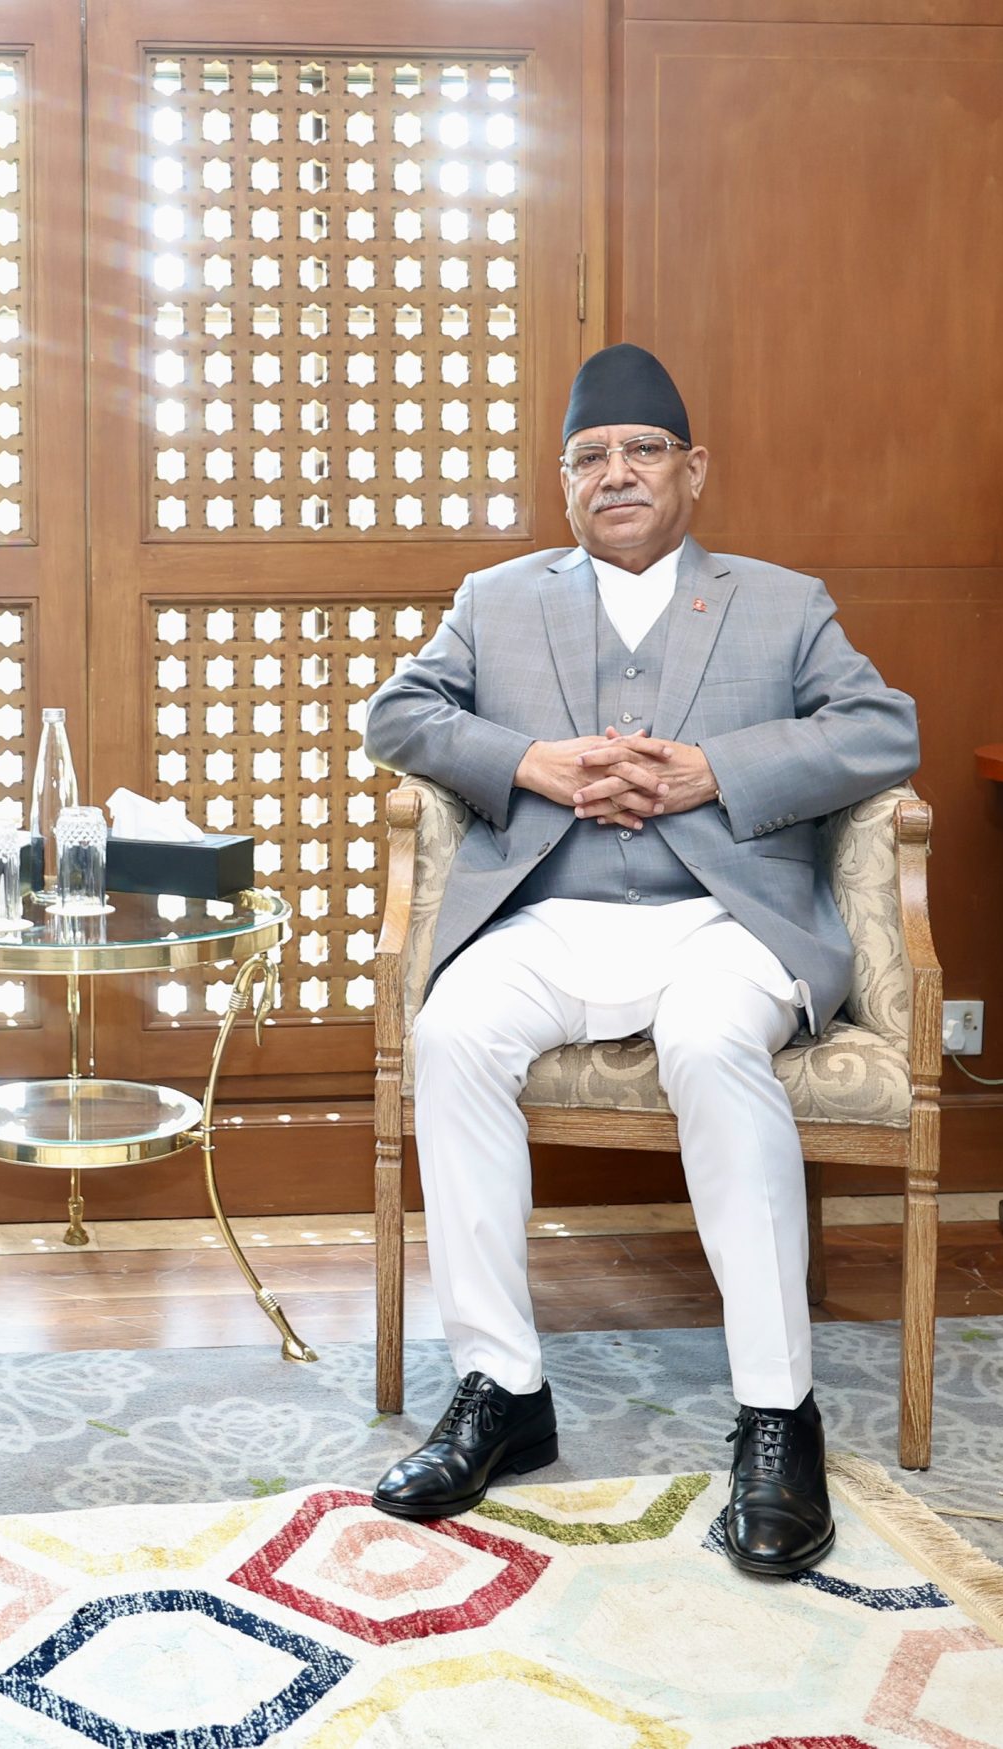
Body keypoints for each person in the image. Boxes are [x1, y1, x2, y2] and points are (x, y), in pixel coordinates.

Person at [359, 343, 919, 1576]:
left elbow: (884, 729)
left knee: (709, 1042)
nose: (615, 474)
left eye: (642, 452)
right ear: (564, 483)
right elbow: (394, 714)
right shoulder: (496, 599)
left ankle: (777, 1415)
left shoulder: (780, 602)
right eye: (589, 457)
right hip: (550, 916)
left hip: (721, 921)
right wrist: (527, 760)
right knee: (450, 1034)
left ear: (692, 470)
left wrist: (718, 770)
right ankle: (502, 1389)